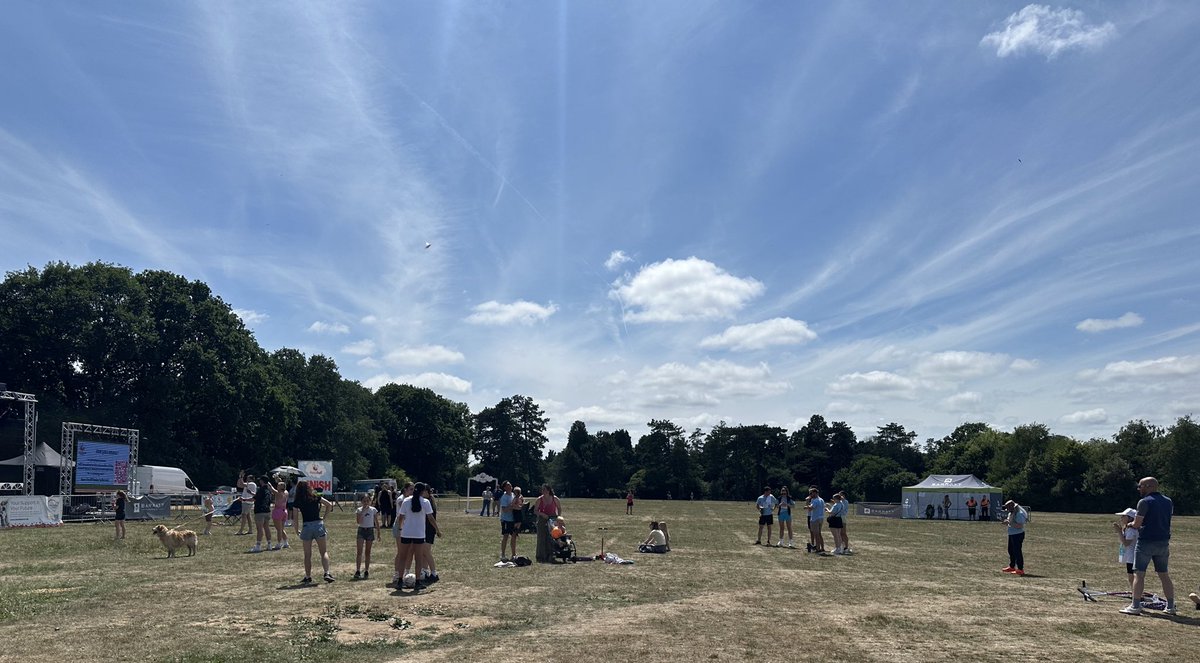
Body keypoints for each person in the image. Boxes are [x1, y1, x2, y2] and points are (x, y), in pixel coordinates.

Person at [1121, 477, 1176, 615]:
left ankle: (1135, 606)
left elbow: (1138, 524)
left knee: (1139, 574)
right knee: (1164, 574)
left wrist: (1129, 524)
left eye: (1140, 486)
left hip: (1146, 542)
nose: (1139, 489)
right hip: (1163, 542)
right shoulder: (1168, 501)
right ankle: (1170, 606)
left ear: (1148, 486)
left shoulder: (1144, 502)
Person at [396, 481, 438, 591]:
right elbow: (431, 518)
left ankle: (400, 580)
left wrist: (400, 528)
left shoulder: (406, 501)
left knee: (403, 557)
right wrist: (437, 529)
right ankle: (418, 582)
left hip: (406, 532)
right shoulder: (425, 502)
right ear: (423, 491)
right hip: (419, 533)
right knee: (418, 558)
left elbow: (401, 517)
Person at [294, 480, 334, 583]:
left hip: (306, 526)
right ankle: (327, 573)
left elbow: (295, 516)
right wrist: (324, 518)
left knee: (307, 554)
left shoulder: (298, 499)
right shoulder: (315, 496)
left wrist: (296, 529)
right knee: (323, 551)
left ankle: (308, 576)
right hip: (318, 525)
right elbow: (329, 505)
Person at [391, 482, 414, 585]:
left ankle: (407, 573)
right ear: (405, 489)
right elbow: (404, 512)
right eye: (410, 489)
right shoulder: (401, 499)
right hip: (400, 525)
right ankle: (397, 574)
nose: (412, 491)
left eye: (413, 489)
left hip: (408, 526)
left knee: (410, 551)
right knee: (401, 551)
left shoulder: (411, 499)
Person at [354, 492, 380, 579]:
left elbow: (376, 522)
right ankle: (358, 570)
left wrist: (378, 533)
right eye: (364, 501)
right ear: (361, 502)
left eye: (367, 501)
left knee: (368, 552)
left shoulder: (373, 510)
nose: (366, 503)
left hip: (370, 530)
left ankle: (366, 570)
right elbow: (359, 522)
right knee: (359, 551)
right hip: (361, 530)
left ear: (370, 501)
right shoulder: (359, 510)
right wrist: (363, 512)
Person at [419, 485, 441, 582]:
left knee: (426, 552)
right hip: (424, 529)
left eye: (423, 491)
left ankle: (434, 573)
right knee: (423, 552)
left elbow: (431, 518)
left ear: (427, 492)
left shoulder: (428, 502)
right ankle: (425, 571)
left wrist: (437, 530)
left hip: (429, 530)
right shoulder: (424, 502)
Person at [534, 484, 562, 563]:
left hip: (552, 518)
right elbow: (535, 510)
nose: (544, 491)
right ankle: (541, 556)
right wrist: (542, 514)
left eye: (545, 490)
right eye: (542, 490)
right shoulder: (539, 499)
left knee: (552, 537)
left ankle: (551, 555)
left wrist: (558, 518)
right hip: (542, 519)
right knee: (541, 538)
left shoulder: (555, 498)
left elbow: (559, 508)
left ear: (549, 490)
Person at [1113, 507, 1139, 592]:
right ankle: (1134, 592)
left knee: (1132, 577)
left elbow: (1126, 543)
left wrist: (1119, 532)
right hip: (1129, 556)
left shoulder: (1131, 530)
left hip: (1133, 556)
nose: (1121, 518)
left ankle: (1136, 593)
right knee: (1130, 577)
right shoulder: (1127, 528)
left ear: (1129, 518)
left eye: (1123, 516)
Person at [1001, 499, 1027, 576]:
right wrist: (1006, 522)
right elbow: (1010, 522)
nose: (1008, 510)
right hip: (1012, 534)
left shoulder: (1019, 513)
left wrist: (1010, 523)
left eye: (1008, 508)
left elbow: (1020, 525)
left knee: (1017, 551)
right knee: (1011, 550)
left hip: (1018, 535)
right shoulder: (1012, 512)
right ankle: (1012, 566)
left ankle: (1020, 569)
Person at [250, 475, 273, 553]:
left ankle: (258, 545)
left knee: (259, 529)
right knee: (266, 528)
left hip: (260, 511)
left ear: (262, 481)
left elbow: (254, 499)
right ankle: (269, 544)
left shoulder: (261, 490)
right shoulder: (269, 490)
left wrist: (243, 499)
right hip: (267, 511)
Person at [498, 481, 518, 561]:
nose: (510, 486)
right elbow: (504, 509)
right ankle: (503, 554)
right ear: (505, 488)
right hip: (506, 519)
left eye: (510, 485)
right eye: (508, 485)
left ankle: (513, 554)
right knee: (505, 536)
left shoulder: (514, 495)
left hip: (514, 519)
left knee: (514, 536)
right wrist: (512, 506)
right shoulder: (504, 497)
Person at [269, 480, 290, 550]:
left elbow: (271, 488)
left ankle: (279, 543)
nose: (277, 486)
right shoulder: (286, 492)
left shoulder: (278, 493)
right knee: (282, 529)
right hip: (284, 511)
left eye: (278, 486)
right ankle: (286, 542)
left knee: (279, 529)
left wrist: (268, 482)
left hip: (278, 511)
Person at [806, 488, 826, 553]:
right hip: (821, 518)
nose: (810, 494)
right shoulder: (821, 500)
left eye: (811, 493)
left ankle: (817, 548)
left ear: (815, 493)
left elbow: (811, 508)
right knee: (819, 534)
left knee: (816, 534)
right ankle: (822, 547)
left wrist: (806, 506)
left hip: (815, 518)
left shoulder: (815, 500)